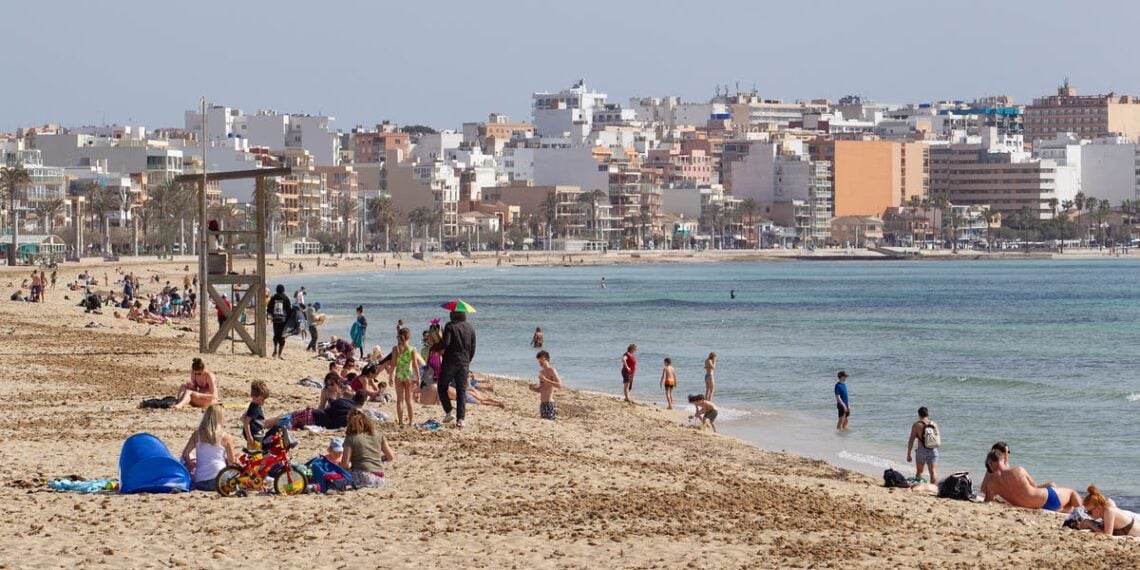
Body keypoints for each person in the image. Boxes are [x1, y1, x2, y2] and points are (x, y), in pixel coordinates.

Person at [981, 449, 1081, 513]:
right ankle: (1083, 512)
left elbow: (988, 501)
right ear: (1003, 459)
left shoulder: (991, 483)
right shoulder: (1018, 470)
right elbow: (1034, 486)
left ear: (990, 464)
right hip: (1046, 499)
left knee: (1069, 507)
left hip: (1032, 507)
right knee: (1072, 492)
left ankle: (1079, 511)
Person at [433, 310, 477, 428]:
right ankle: (460, 419)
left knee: (442, 386)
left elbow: (445, 343)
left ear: (453, 315)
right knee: (461, 391)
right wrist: (468, 361)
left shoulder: (450, 326)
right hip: (464, 363)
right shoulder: (470, 328)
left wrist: (435, 347)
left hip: (450, 362)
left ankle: (449, 411)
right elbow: (473, 348)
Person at [180, 404, 237, 491]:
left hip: (200, 481)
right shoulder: (226, 437)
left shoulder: (197, 434)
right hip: (219, 480)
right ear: (219, 418)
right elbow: (231, 462)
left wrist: (191, 466)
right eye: (224, 416)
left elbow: (185, 453)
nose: (225, 418)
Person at [340, 408, 394, 488]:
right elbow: (390, 457)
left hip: (364, 477)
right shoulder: (378, 435)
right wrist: (379, 459)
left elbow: (344, 464)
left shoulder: (351, 438)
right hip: (380, 478)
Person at [390, 327, 424, 426]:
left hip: (399, 375)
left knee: (399, 400)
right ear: (409, 337)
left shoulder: (395, 349)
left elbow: (393, 364)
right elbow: (415, 365)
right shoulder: (412, 349)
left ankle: (400, 422)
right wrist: (418, 377)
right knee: (409, 400)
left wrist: (390, 376)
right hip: (408, 375)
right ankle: (411, 422)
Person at [906, 406, 940, 484]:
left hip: (921, 451)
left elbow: (911, 439)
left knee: (919, 472)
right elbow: (937, 437)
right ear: (927, 414)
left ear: (919, 415)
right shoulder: (934, 424)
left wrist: (909, 453)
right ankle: (934, 489)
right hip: (933, 450)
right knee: (933, 471)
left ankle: (919, 487)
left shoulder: (917, 425)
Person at [530, 350, 562, 420]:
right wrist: (533, 388)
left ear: (545, 358)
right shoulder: (541, 372)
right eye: (538, 361)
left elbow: (559, 385)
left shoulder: (552, 370)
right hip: (542, 404)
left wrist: (544, 379)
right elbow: (542, 389)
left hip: (549, 403)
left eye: (540, 360)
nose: (539, 362)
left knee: (550, 423)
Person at [241, 380, 269, 448]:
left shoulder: (256, 406)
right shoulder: (254, 407)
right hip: (254, 436)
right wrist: (249, 436)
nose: (263, 402)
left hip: (258, 435)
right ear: (254, 397)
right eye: (262, 399)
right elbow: (246, 421)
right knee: (254, 455)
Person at [268, 284, 292, 359]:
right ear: (283, 290)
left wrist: (272, 316)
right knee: (282, 336)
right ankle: (279, 354)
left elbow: (269, 308)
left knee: (276, 335)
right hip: (283, 320)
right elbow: (289, 310)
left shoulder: (273, 297)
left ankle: (275, 349)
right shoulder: (286, 298)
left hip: (275, 319)